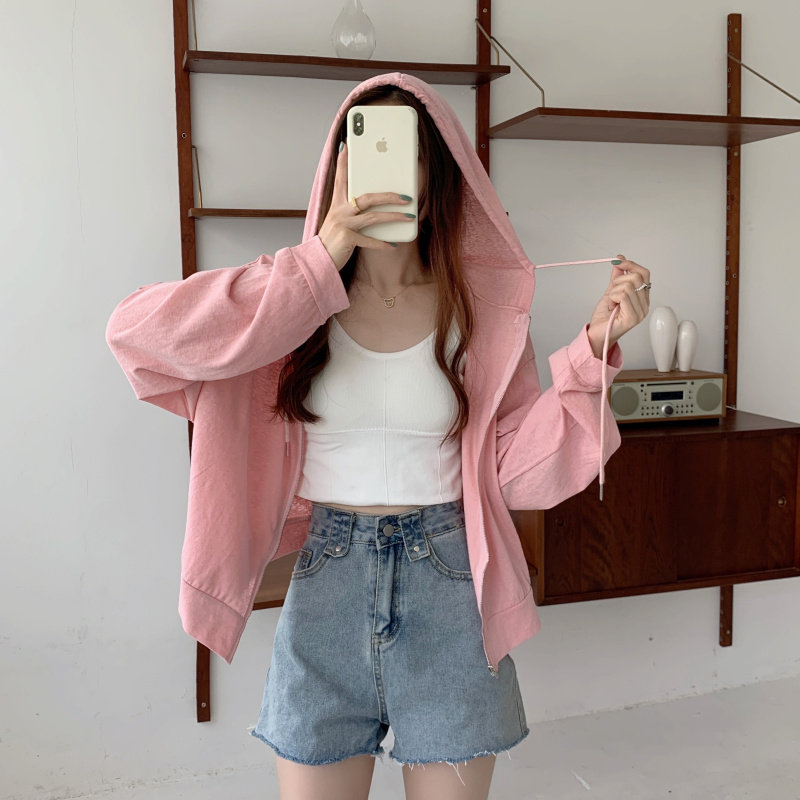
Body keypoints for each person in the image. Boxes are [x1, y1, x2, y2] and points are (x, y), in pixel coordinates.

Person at [106, 72, 650, 800]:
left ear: (437, 172)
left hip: (450, 584)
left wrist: (591, 353)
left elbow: (516, 470)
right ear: (336, 169)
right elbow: (133, 335)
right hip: (326, 587)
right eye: (364, 149)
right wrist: (317, 260)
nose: (386, 169)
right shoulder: (287, 302)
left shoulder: (477, 311)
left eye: (407, 151)